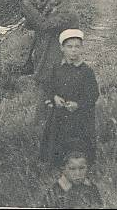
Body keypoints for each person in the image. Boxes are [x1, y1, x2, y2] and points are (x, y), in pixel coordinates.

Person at [40, 29, 99, 166]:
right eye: (69, 47)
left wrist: (78, 104)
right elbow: (48, 87)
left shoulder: (86, 71)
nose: (73, 51)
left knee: (79, 143)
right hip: (59, 116)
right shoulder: (57, 68)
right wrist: (54, 98)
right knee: (57, 140)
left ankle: (81, 164)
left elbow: (93, 94)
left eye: (77, 47)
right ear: (62, 48)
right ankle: (55, 164)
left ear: (82, 48)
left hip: (80, 117)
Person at [18, 0, 80, 90]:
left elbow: (44, 26)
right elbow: (32, 25)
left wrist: (27, 3)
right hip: (47, 56)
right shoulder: (53, 7)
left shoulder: (67, 12)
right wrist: (38, 7)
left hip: (59, 59)